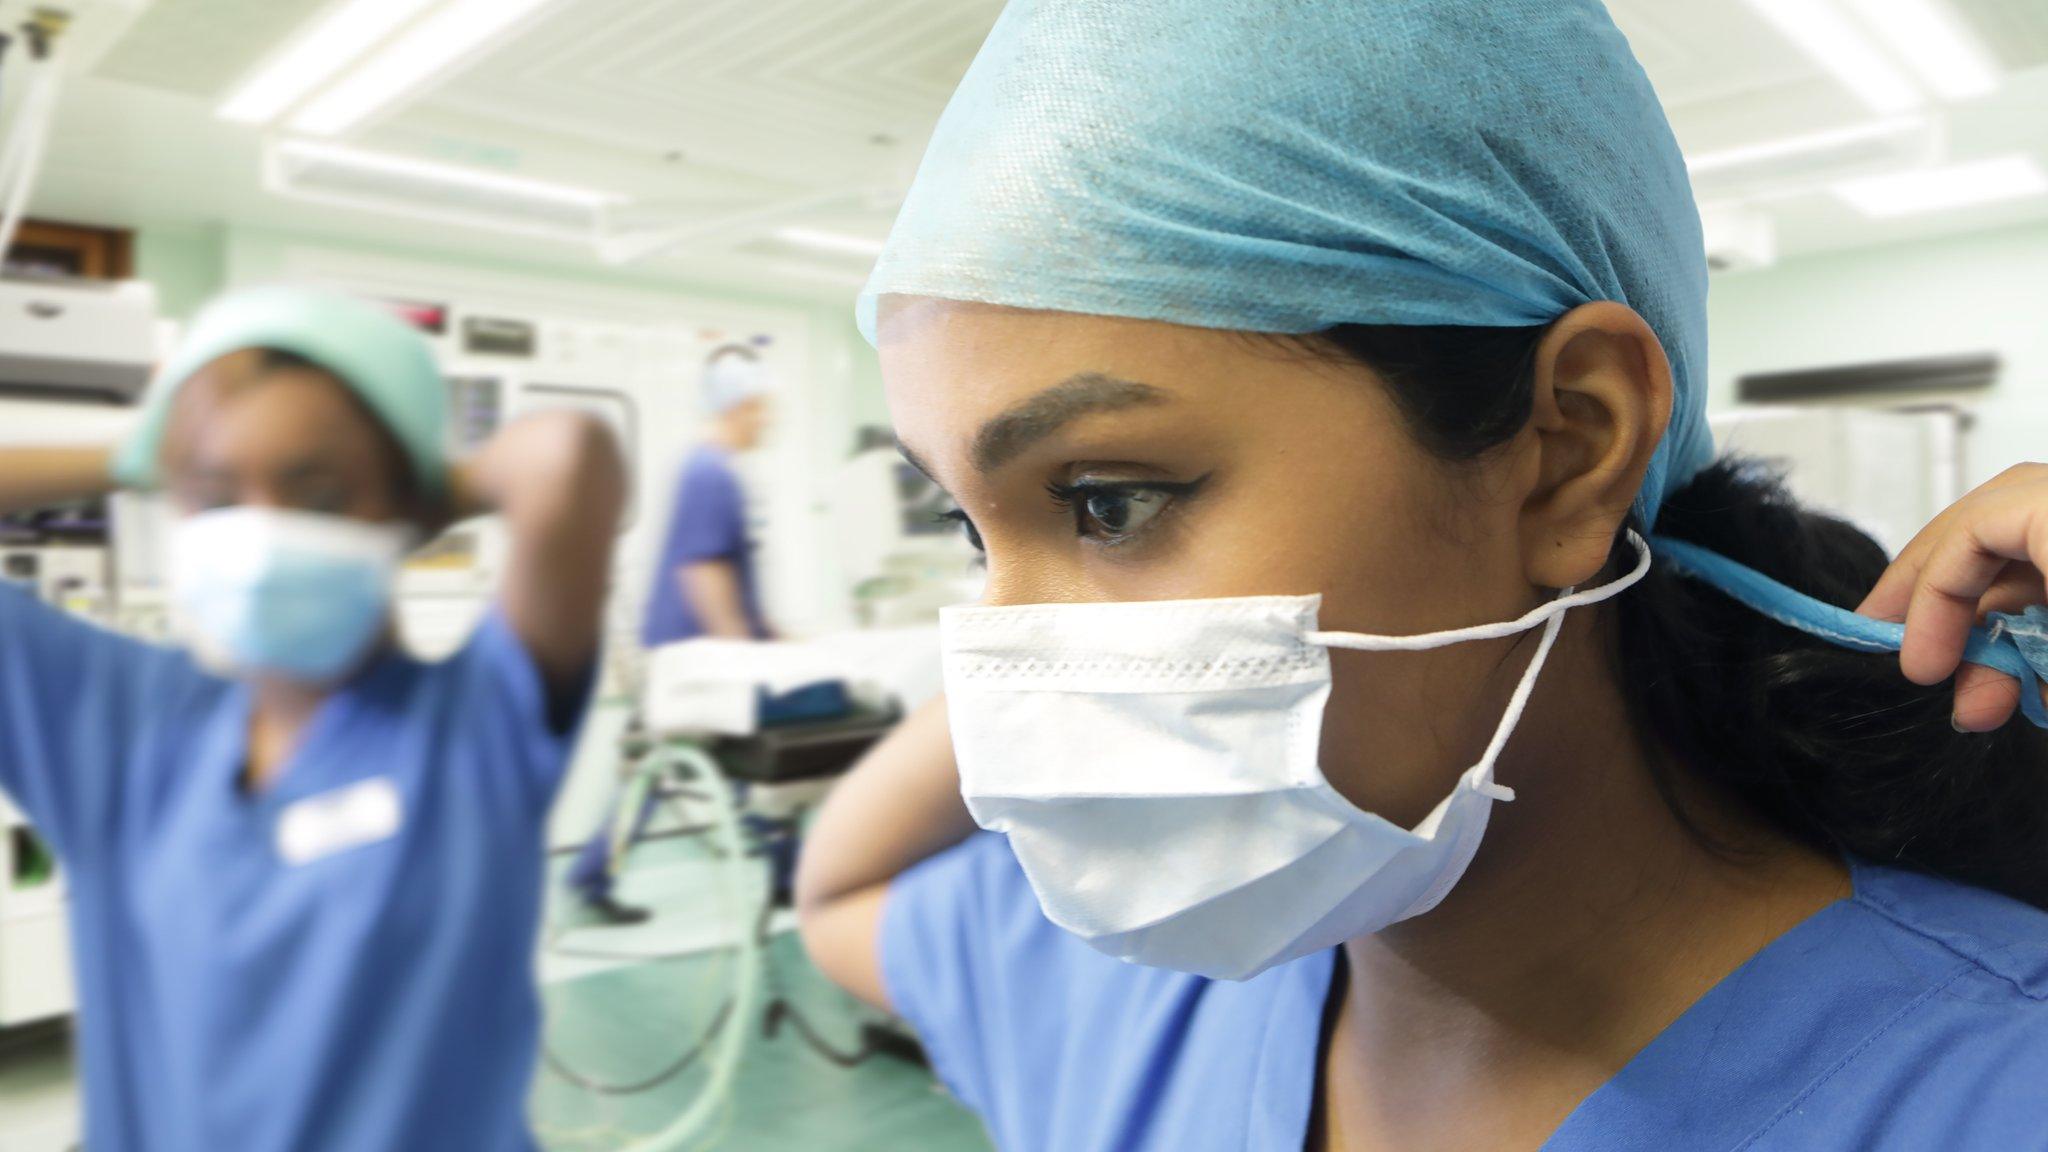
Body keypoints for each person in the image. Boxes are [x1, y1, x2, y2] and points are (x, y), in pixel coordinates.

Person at [793, 2, 2048, 1149]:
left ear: (1566, 447)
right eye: (966, 526)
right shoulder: (1121, 973)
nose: (1007, 650)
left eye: (1105, 500)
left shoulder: (1987, 1091)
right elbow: (838, 891)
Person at [0, 286, 626, 1152]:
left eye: (318, 497)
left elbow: (567, 460)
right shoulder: (116, 728)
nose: (261, 533)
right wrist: (145, 448)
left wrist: (426, 486)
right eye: (218, 498)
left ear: (405, 505)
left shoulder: (472, 729)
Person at [563, 343, 773, 924]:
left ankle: (782, 867)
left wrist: (770, 630)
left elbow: (731, 569)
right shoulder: (709, 473)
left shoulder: (716, 472)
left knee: (703, 766)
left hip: (698, 646)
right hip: (693, 653)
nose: (768, 420)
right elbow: (702, 569)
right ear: (740, 407)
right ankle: (592, 876)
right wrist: (739, 650)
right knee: (689, 765)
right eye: (761, 407)